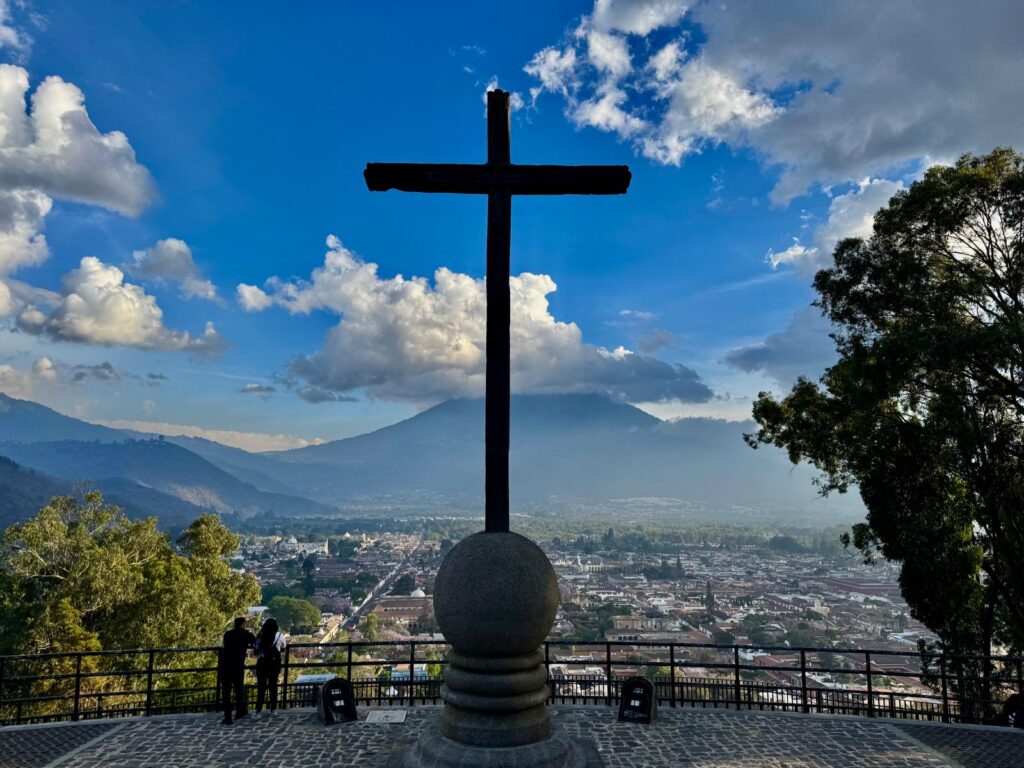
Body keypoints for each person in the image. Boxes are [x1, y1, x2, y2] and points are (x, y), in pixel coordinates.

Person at [219, 616, 255, 725]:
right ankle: (240, 711)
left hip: (225, 665)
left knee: (226, 692)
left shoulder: (228, 634)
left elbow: (225, 645)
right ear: (243, 624)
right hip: (238, 665)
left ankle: (227, 717)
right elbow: (254, 642)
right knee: (238, 689)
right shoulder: (246, 634)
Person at [254, 616, 287, 715]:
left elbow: (255, 650)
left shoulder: (260, 636)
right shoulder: (280, 636)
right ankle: (273, 709)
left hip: (262, 663)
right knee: (273, 686)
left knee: (261, 687)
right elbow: (283, 647)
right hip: (274, 664)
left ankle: (258, 710)